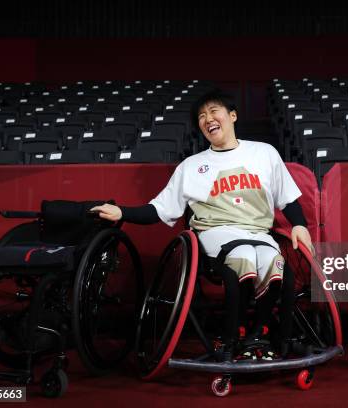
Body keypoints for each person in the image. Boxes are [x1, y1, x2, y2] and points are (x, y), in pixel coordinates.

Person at [91, 89, 312, 360]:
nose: (208, 119)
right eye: (201, 116)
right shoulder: (191, 166)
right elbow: (159, 209)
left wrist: (299, 224)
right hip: (216, 232)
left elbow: (287, 198)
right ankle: (231, 339)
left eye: (213, 111)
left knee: (277, 264)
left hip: (257, 232)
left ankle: (261, 336)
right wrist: (122, 212)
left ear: (232, 116)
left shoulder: (264, 153)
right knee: (242, 258)